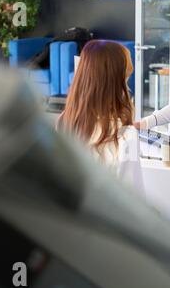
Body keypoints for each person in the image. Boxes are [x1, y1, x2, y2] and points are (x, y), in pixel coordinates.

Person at [57, 40, 144, 193]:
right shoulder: (125, 135)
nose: (128, 89)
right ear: (116, 86)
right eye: (126, 80)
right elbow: (135, 201)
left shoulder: (64, 120)